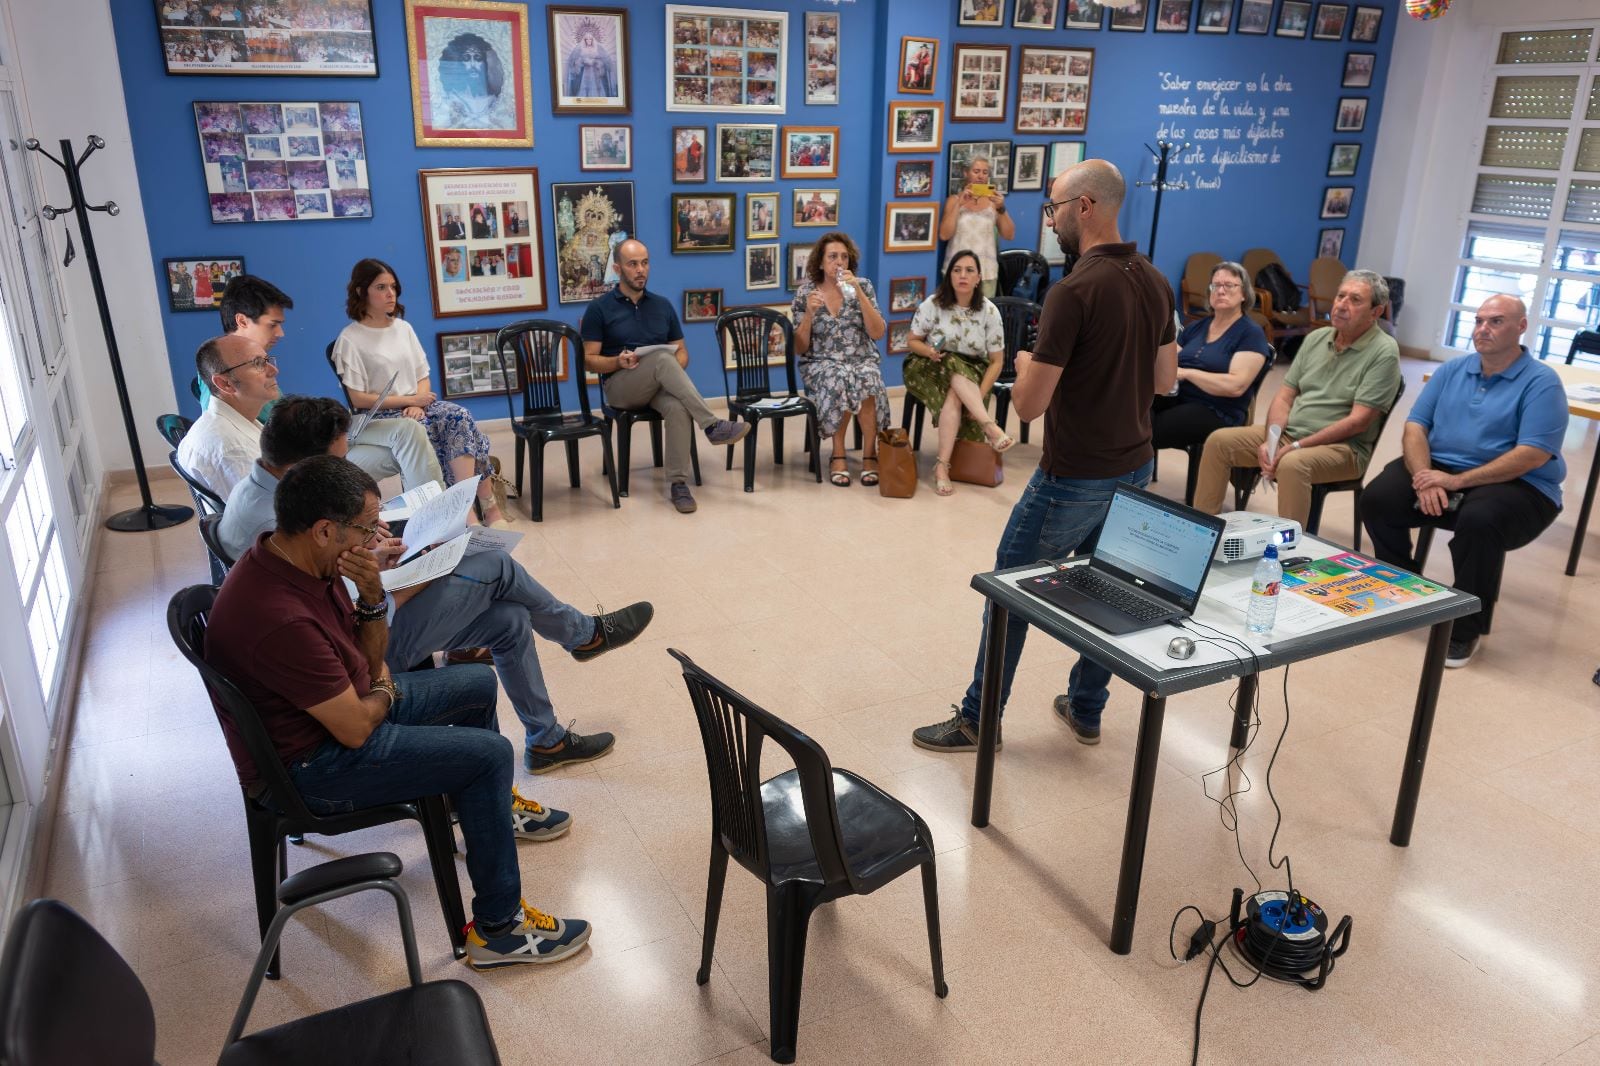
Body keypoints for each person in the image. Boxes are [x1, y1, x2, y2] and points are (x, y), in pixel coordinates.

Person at [203, 454, 592, 968]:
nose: (375, 538)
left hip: (338, 710)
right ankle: (499, 929)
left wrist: (369, 597)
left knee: (477, 682)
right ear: (323, 529)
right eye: (366, 528)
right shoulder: (280, 618)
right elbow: (358, 724)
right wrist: (384, 687)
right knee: (491, 754)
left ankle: (477, 808)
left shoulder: (298, 560)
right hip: (313, 766)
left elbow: (365, 659)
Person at [219, 396, 644, 770]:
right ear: (306, 470)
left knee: (511, 619)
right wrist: (422, 572)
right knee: (496, 565)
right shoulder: (285, 519)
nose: (344, 469)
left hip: (350, 626)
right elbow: (351, 613)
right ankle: (583, 635)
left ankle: (547, 740)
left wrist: (373, 556)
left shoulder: (270, 493)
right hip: (355, 652)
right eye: (339, 463)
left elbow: (334, 588)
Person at [912, 159, 1177, 752]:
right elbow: (1164, 379)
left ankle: (980, 718)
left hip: (1075, 474)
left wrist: (1028, 363)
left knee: (1011, 590)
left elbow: (1028, 407)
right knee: (1106, 588)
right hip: (1135, 465)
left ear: (1085, 207)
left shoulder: (1073, 290)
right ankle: (1086, 707)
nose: (1050, 219)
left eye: (1054, 207)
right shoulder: (1155, 279)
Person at [1360, 295, 1568, 669]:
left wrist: (1454, 482)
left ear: (1521, 327)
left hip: (1521, 483)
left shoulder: (1542, 382)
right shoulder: (1452, 370)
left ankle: (1466, 628)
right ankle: (1406, 591)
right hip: (1439, 470)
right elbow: (1415, 427)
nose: (1482, 329)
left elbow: (1532, 455)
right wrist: (1426, 479)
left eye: (1496, 321)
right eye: (1479, 320)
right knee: (1378, 499)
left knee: (1480, 521)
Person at [1192, 270, 1402, 527]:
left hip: (1344, 448)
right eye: (1340, 296)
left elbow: (1358, 422)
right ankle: (1204, 529)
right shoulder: (1316, 338)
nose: (1342, 305)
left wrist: (1296, 447)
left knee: (1292, 464)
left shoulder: (1384, 351)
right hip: (1291, 434)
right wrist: (1273, 440)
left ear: (1376, 312)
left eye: (1355, 300)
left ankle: (1290, 552)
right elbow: (1284, 396)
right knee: (1219, 441)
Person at [205, 275, 444, 494]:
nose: (281, 333)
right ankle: (437, 525)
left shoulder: (254, 365)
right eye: (272, 324)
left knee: (410, 431)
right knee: (406, 448)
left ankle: (436, 522)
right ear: (242, 321)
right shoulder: (224, 377)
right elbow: (267, 447)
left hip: (311, 438)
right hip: (303, 458)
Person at [579, 239, 751, 514]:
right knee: (661, 359)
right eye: (632, 264)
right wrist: (617, 361)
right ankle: (711, 425)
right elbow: (588, 360)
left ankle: (678, 484)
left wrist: (669, 370)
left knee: (677, 405)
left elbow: (682, 353)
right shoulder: (599, 308)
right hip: (621, 386)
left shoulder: (662, 305)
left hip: (656, 385)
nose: (640, 270)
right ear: (617, 268)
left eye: (645, 263)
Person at [330, 258, 506, 525]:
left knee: (459, 416)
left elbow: (423, 376)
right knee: (440, 426)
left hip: (416, 404)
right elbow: (358, 399)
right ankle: (474, 511)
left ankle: (476, 506)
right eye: (381, 287)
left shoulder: (404, 329)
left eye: (393, 286)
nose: (391, 294)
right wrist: (410, 402)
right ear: (360, 291)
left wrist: (419, 404)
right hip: (381, 416)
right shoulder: (350, 339)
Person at [904, 249, 1014, 496]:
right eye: (957, 270)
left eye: (969, 270)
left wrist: (980, 394)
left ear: (978, 278)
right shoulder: (933, 304)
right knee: (952, 363)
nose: (962, 275)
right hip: (928, 364)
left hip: (973, 369)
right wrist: (929, 351)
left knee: (957, 391)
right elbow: (913, 341)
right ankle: (990, 426)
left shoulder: (989, 311)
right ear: (949, 275)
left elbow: (996, 362)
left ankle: (942, 467)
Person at [791, 232, 890, 488]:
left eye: (844, 257)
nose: (839, 262)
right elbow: (799, 347)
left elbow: (878, 332)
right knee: (839, 377)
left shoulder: (863, 286)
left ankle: (870, 454)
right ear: (821, 262)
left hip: (860, 357)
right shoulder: (806, 293)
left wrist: (858, 292)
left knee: (869, 377)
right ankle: (838, 454)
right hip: (820, 362)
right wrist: (809, 315)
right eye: (833, 256)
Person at [1151, 261, 1272, 454]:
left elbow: (1236, 386)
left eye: (1229, 285)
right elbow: (1169, 360)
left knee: (1147, 430)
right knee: (1133, 410)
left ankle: (1128, 476)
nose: (1221, 291)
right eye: (1216, 285)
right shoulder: (1196, 327)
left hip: (1217, 409)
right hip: (1179, 397)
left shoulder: (1251, 333)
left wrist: (1188, 374)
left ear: (1244, 294)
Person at [178, 333, 280, 497]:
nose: (274, 370)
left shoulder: (232, 421)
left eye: (267, 360)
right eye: (258, 363)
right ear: (225, 383)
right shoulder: (234, 449)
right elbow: (271, 513)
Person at [939, 157, 1015, 299]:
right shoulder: (954, 200)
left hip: (986, 271)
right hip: (956, 270)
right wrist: (959, 205)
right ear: (966, 173)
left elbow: (1009, 235)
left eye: (985, 172)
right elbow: (944, 235)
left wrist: (1002, 209)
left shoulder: (994, 203)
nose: (981, 176)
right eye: (976, 171)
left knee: (983, 315)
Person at [564, 24, 617, 98]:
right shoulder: (580, 49)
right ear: (584, 40)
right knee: (584, 87)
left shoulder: (598, 48)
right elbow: (575, 63)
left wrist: (597, 63)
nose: (589, 41)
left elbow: (604, 62)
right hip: (585, 72)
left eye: (590, 39)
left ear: (592, 40)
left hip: (595, 72)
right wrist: (582, 61)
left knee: (596, 88)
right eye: (587, 39)